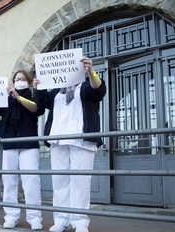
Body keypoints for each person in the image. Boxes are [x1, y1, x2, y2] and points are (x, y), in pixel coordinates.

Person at [34, 57, 106, 232]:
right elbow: (44, 101)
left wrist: (91, 71)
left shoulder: (88, 85)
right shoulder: (56, 91)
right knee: (60, 182)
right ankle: (61, 219)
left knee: (80, 182)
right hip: (58, 140)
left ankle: (80, 221)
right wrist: (38, 86)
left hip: (82, 140)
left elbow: (99, 91)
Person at [0, 70, 45, 230]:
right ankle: (11, 216)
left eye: (23, 79)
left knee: (31, 181)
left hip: (28, 143)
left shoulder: (32, 95)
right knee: (9, 182)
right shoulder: (4, 98)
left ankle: (35, 217)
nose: (19, 81)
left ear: (29, 83)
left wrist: (17, 96)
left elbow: (37, 109)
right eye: (17, 79)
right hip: (8, 143)